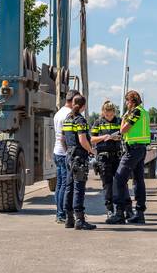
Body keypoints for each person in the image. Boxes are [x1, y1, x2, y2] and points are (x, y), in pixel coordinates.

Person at [106, 90, 150, 225]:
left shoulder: (136, 112)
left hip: (134, 150)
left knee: (119, 179)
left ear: (131, 101)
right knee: (138, 180)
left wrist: (124, 118)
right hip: (140, 149)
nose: (126, 104)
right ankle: (139, 213)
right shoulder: (144, 112)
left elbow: (124, 129)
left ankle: (119, 212)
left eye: (127, 101)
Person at [62, 94, 97, 230]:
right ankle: (80, 220)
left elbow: (63, 139)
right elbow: (82, 140)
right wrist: (91, 151)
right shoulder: (80, 120)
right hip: (78, 156)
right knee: (79, 188)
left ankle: (69, 219)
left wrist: (68, 152)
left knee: (69, 187)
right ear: (84, 106)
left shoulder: (67, 119)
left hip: (69, 155)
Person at [90, 100, 125, 221]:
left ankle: (121, 209)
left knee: (121, 183)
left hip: (117, 156)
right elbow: (92, 139)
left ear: (114, 112)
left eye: (111, 114)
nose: (109, 117)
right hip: (103, 157)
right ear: (103, 112)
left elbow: (125, 135)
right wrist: (103, 137)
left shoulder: (119, 121)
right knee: (107, 185)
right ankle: (110, 210)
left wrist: (118, 137)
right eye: (107, 114)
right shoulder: (98, 122)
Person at [53, 89, 80, 223]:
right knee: (65, 184)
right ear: (73, 100)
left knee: (60, 185)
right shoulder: (69, 115)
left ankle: (59, 213)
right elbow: (67, 137)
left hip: (57, 152)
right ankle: (62, 214)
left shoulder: (58, 113)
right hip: (65, 153)